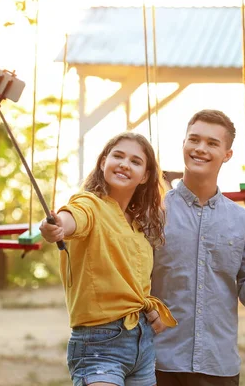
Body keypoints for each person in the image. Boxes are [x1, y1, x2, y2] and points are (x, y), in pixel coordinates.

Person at [151, 109, 245, 386]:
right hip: (158, 362)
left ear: (227, 154)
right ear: (183, 144)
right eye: (194, 140)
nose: (200, 149)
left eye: (212, 143)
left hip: (219, 366)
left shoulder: (243, 221)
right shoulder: (154, 213)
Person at [39, 131, 177, 386]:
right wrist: (57, 225)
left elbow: (133, 285)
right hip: (98, 345)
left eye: (136, 161)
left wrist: (150, 309)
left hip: (142, 345)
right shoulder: (89, 204)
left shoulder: (137, 227)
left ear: (145, 176)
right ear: (103, 162)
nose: (125, 164)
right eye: (118, 156)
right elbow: (73, 218)